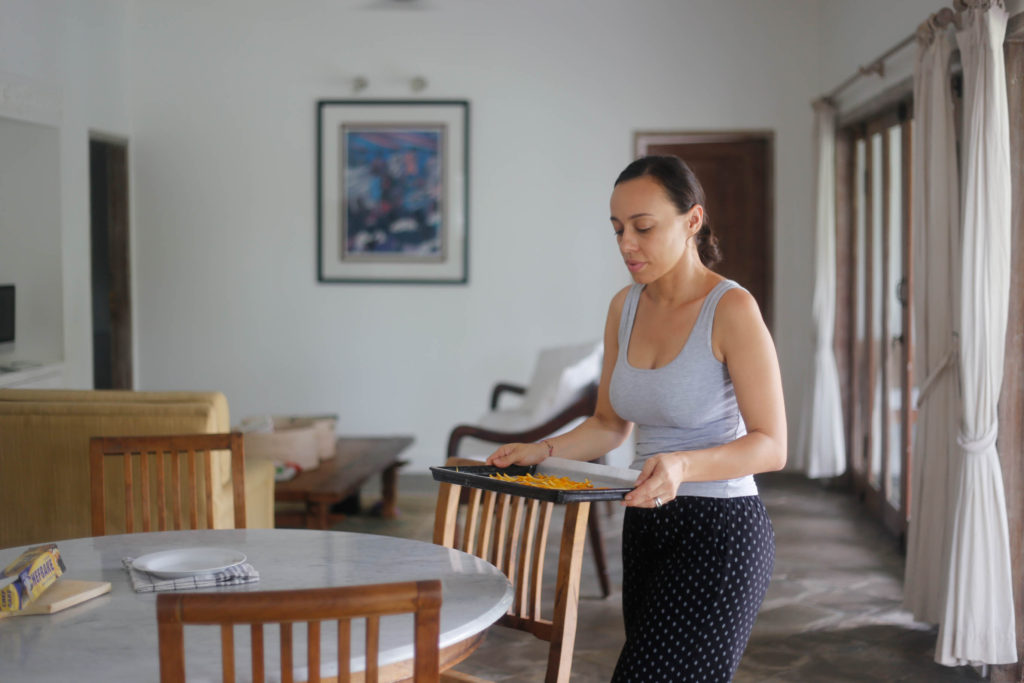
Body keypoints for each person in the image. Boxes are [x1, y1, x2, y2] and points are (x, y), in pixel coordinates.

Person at [486, 155, 786, 681]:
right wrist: (542, 450)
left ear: (693, 221)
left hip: (720, 532)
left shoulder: (731, 309)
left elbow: (771, 445)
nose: (627, 244)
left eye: (644, 228)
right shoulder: (623, 307)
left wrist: (682, 467)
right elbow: (608, 423)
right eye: (618, 229)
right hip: (645, 523)